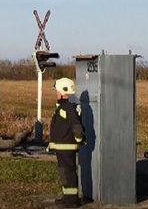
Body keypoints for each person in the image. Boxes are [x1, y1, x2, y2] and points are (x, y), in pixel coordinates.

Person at [49, 77, 85, 208]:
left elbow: (77, 127)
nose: (55, 93)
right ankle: (67, 198)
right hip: (61, 147)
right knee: (64, 172)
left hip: (66, 147)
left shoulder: (68, 108)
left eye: (57, 90)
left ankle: (71, 201)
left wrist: (79, 139)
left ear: (63, 92)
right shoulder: (63, 107)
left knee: (68, 172)